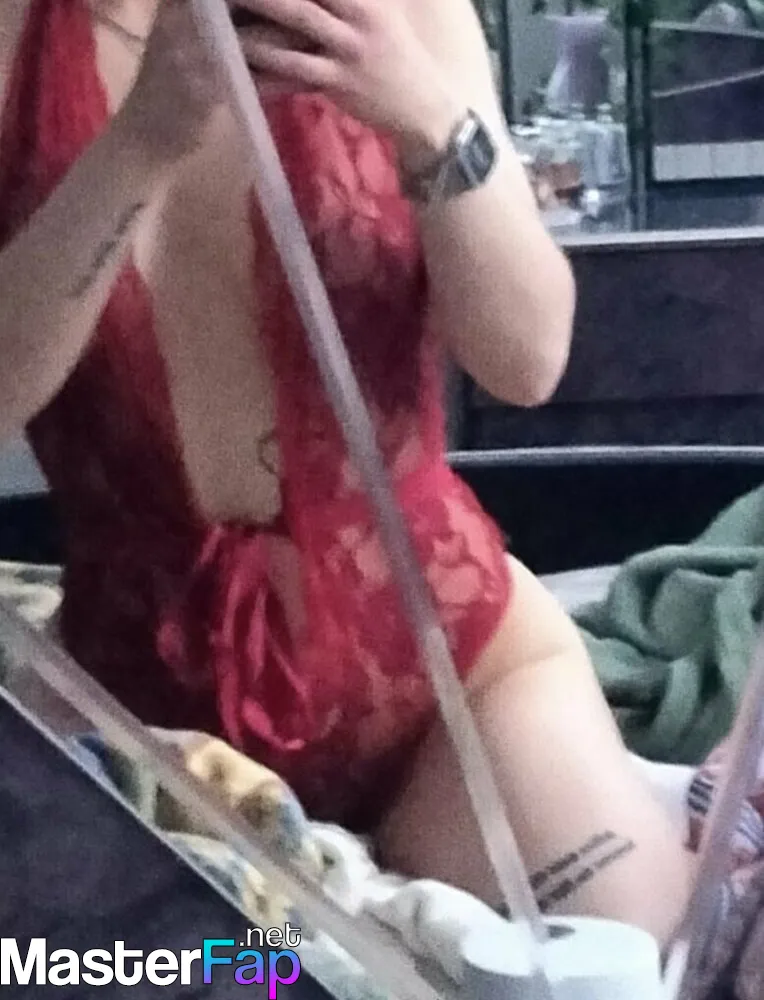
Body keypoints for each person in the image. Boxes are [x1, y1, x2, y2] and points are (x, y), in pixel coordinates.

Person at [0, 0, 693, 947]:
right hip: (137, 711)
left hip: (449, 677)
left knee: (624, 962)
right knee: (189, 976)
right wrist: (141, 140)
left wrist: (425, 116)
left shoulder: (408, 14)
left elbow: (528, 361)